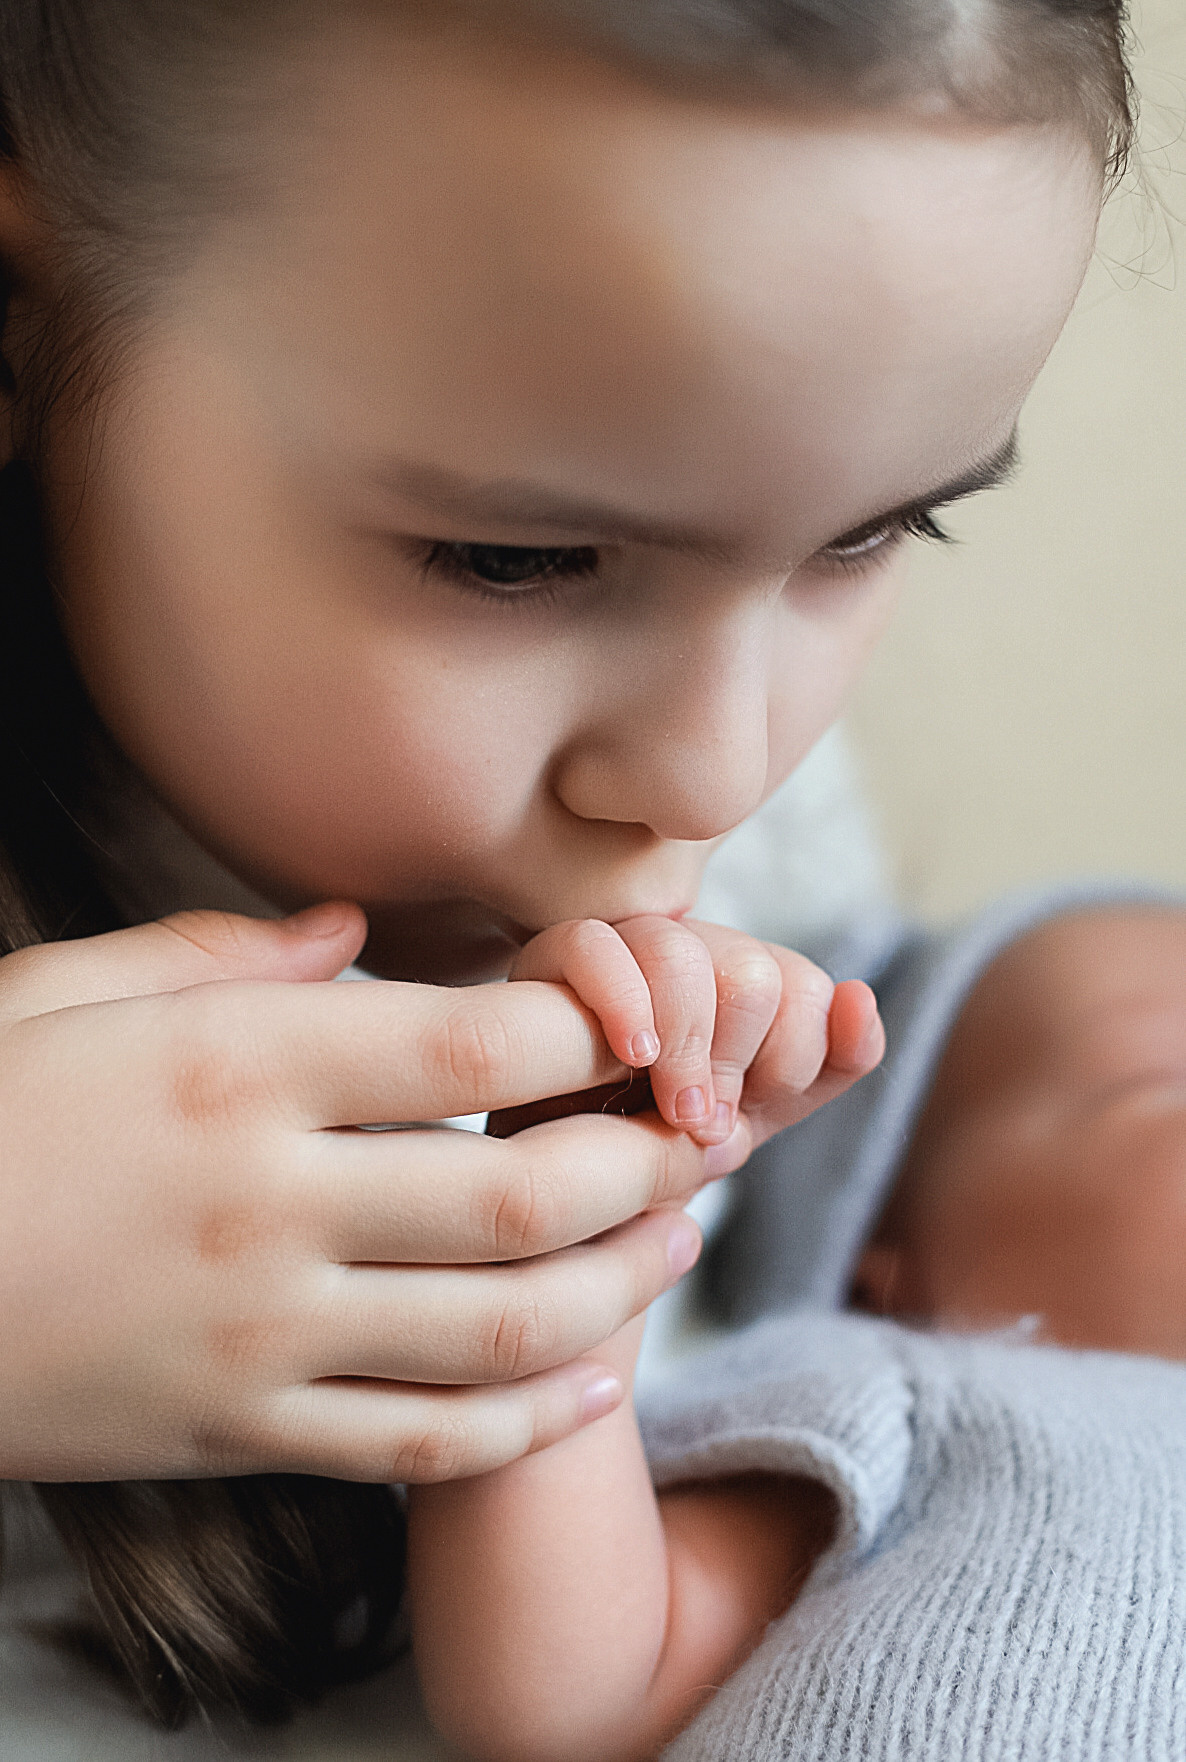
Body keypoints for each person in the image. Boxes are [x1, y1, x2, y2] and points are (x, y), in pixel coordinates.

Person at [1, 0, 1175, 1756]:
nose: (715, 771)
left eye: (871, 530)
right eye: (513, 557)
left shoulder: (712, 794)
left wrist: (1055, 1027)